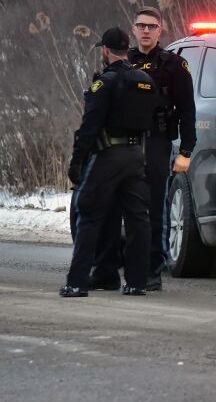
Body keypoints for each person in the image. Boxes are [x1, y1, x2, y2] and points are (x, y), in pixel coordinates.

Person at [61, 27, 157, 297]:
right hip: (136, 156)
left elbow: (89, 126)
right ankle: (137, 282)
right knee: (139, 219)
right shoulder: (145, 79)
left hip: (108, 155)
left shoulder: (105, 83)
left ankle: (76, 283)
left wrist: (77, 160)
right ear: (126, 49)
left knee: (88, 213)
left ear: (105, 50)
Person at [127, 6, 196, 290]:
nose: (145, 31)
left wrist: (186, 152)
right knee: (127, 207)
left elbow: (188, 110)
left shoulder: (173, 65)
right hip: (126, 143)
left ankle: (153, 269)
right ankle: (128, 268)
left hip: (157, 141)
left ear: (160, 30)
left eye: (151, 26)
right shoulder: (124, 61)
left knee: (155, 207)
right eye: (141, 26)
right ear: (133, 29)